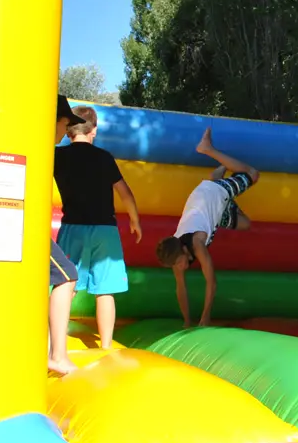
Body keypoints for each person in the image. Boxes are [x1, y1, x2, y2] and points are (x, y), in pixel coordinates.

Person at [54, 105, 143, 353]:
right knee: (105, 291)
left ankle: (54, 341)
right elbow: (125, 193)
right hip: (105, 230)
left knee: (64, 286)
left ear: (69, 129)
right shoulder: (104, 157)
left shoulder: (57, 157)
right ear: (94, 129)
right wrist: (135, 221)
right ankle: (105, 347)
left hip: (73, 227)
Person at [155, 128, 259, 327]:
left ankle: (208, 149)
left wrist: (205, 317)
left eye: (180, 263)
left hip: (214, 193)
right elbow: (181, 290)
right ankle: (217, 174)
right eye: (177, 266)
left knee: (253, 174)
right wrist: (187, 321)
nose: (180, 268)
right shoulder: (175, 252)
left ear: (184, 251)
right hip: (209, 209)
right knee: (245, 224)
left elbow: (211, 281)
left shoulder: (197, 243)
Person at [48, 95, 87, 375]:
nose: (65, 132)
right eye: (65, 124)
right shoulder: (44, 149)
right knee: (67, 275)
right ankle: (57, 355)